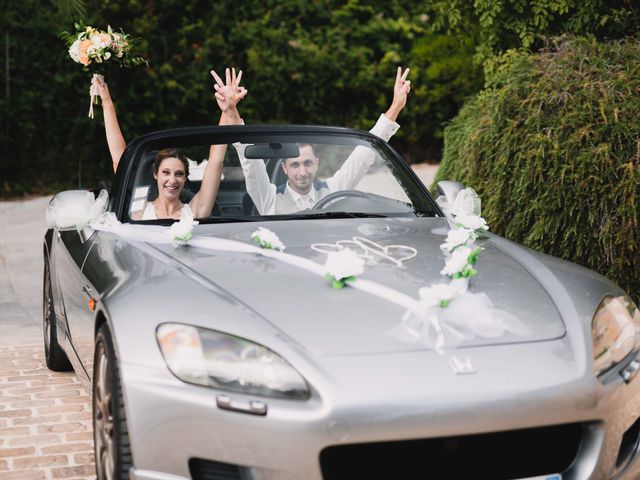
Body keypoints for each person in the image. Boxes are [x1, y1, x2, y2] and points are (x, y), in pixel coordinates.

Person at [223, 67, 411, 215]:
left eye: (307, 163)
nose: (302, 172)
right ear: (284, 168)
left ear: (317, 163)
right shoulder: (269, 197)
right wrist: (232, 112)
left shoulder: (334, 190)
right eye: (295, 165)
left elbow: (363, 156)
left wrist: (395, 107)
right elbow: (250, 164)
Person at [92, 67, 246, 219]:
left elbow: (216, 160)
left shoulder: (194, 211)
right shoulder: (139, 212)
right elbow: (119, 159)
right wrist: (106, 101)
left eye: (179, 174)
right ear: (155, 174)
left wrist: (228, 109)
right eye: (166, 172)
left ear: (185, 178)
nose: (172, 180)